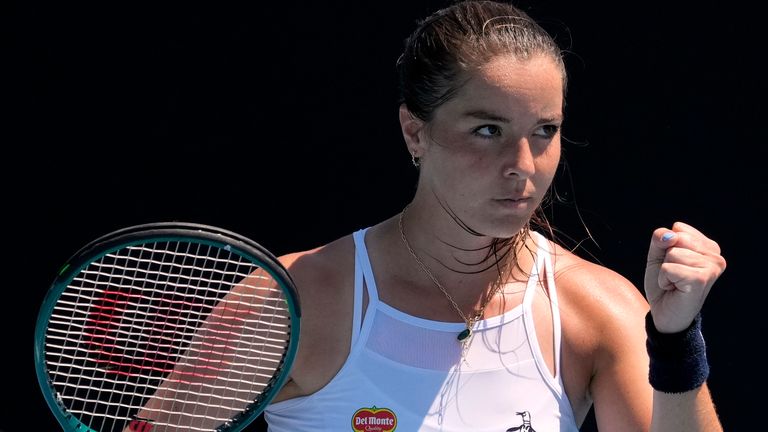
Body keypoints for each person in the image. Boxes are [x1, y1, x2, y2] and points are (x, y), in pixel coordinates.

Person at [262, 1, 726, 431]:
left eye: (545, 130)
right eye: (488, 129)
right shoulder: (292, 301)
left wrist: (675, 342)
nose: (524, 163)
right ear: (414, 132)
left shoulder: (598, 310)